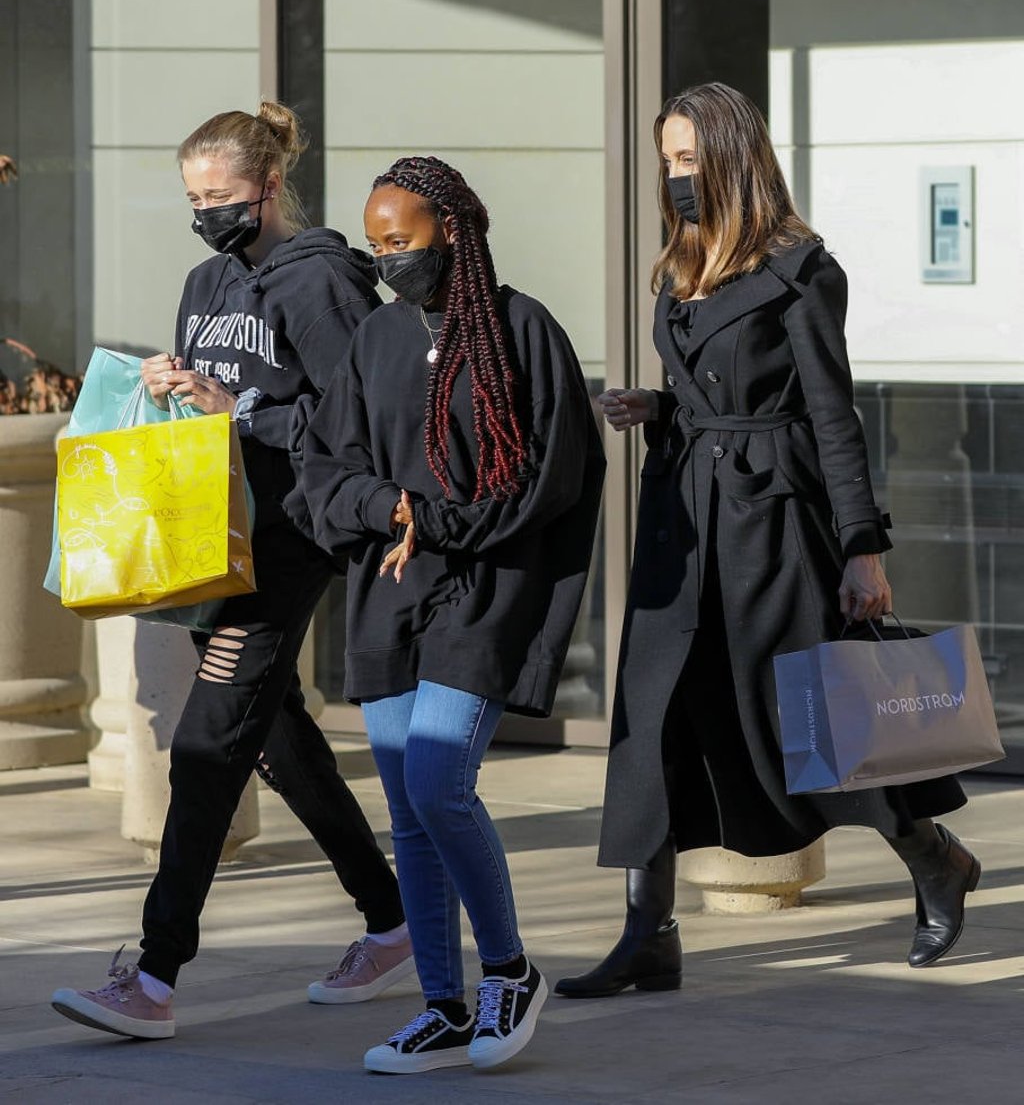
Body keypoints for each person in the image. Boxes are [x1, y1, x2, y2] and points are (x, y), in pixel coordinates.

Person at [555, 82, 978, 1000]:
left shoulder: (800, 268)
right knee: (653, 723)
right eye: (666, 159)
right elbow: (715, 395)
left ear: (732, 157)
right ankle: (648, 935)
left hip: (776, 521)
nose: (675, 175)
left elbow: (833, 416)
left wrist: (863, 548)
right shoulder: (682, 262)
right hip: (682, 520)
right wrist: (659, 409)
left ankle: (934, 857)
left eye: (687, 157)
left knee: (821, 714)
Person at [51, 102, 412, 1039]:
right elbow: (207, 416)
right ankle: (393, 918)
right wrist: (166, 388)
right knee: (274, 737)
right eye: (194, 198)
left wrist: (235, 410)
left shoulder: (325, 282)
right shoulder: (206, 280)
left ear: (268, 188)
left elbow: (360, 420)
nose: (208, 211)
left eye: (222, 196)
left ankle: (156, 973)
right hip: (223, 538)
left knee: (207, 746)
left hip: (293, 539)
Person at [290, 155, 604, 1073]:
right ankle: (443, 1005)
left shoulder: (523, 330)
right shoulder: (377, 341)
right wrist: (388, 508)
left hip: (486, 588)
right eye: (377, 243)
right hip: (391, 595)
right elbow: (323, 471)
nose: (389, 258)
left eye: (404, 240)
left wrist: (434, 520)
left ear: (454, 230)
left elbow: (550, 478)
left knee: (436, 785)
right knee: (407, 812)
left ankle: (508, 971)